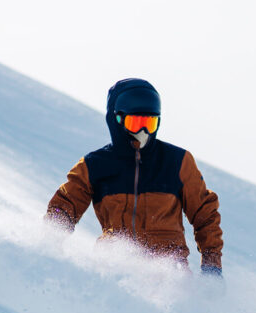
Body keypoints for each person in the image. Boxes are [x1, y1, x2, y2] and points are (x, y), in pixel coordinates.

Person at [46, 78, 223, 275]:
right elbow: (66, 203)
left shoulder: (177, 161)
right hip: (114, 267)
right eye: (136, 122)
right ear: (117, 120)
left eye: (150, 122)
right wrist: (50, 241)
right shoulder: (95, 165)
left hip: (169, 272)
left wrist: (212, 262)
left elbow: (205, 214)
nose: (144, 131)